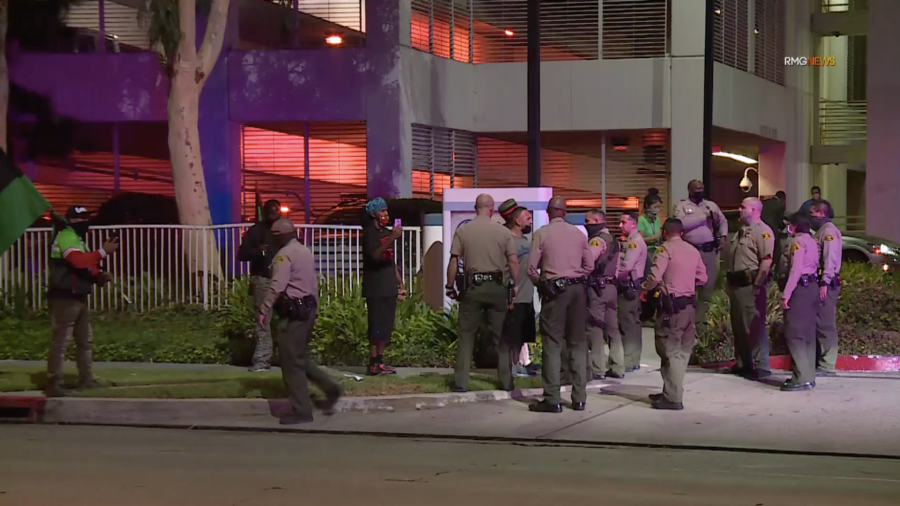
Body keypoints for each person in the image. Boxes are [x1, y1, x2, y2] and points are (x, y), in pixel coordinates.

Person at [258, 219, 342, 424]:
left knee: (290, 361)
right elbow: (312, 284)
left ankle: (301, 409)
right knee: (300, 356)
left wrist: (264, 308)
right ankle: (330, 387)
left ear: (279, 235)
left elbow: (277, 285)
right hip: (308, 309)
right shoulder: (305, 251)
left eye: (274, 235)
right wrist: (316, 310)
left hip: (293, 313)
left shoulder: (284, 255)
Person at [446, 194, 519, 392]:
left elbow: (454, 260)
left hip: (472, 288)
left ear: (475, 207)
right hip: (497, 288)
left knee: (466, 335)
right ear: (492, 208)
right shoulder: (502, 232)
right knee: (500, 338)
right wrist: (516, 285)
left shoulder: (463, 230)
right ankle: (506, 381)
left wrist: (449, 286)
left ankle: (461, 382)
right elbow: (512, 261)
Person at [527, 197, 593, 413]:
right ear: (564, 212)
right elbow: (589, 265)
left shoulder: (542, 233)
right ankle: (580, 398)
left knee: (552, 344)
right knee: (578, 343)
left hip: (555, 291)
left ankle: (552, 399)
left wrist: (543, 283)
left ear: (549, 212)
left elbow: (531, 269)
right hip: (577, 291)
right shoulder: (578, 234)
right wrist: (576, 276)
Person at [46, 206, 119, 397]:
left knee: (85, 341)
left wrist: (98, 276)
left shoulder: (77, 239)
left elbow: (85, 267)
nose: (86, 222)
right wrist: (103, 251)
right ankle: (54, 384)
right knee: (61, 342)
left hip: (77, 296)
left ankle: (86, 380)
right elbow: (77, 261)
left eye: (87, 218)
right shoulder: (66, 236)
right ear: (72, 221)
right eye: (82, 218)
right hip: (64, 297)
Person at [640, 218, 707, 410]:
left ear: (664, 232)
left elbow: (654, 277)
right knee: (681, 352)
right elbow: (703, 278)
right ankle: (669, 390)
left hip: (671, 308)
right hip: (688, 307)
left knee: (670, 352)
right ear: (682, 232)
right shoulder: (692, 250)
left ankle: (673, 398)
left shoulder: (664, 249)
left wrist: (643, 290)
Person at [724, 197, 775, 379]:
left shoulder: (762, 231)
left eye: (742, 207)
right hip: (737, 284)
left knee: (754, 325)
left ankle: (761, 365)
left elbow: (766, 260)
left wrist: (757, 284)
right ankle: (743, 363)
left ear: (754, 210)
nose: (739, 210)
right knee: (738, 325)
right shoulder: (742, 231)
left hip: (751, 285)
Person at [361, 198, 408, 376]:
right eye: (382, 211)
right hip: (375, 286)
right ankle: (373, 363)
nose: (385, 215)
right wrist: (392, 239)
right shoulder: (369, 233)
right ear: (373, 214)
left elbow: (389, 260)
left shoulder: (386, 232)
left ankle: (380, 361)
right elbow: (374, 256)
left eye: (386, 211)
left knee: (386, 326)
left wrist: (400, 282)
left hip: (388, 285)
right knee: (376, 325)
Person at [674, 180, 727, 325]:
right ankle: (686, 320)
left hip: (708, 251)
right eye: (697, 188)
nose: (700, 191)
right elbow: (681, 224)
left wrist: (723, 236)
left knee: (707, 286)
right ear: (690, 190)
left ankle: (700, 322)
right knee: (689, 287)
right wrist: (704, 217)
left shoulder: (711, 205)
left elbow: (723, 221)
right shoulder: (682, 206)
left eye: (702, 188)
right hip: (689, 251)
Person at [237, 199, 282, 372]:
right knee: (263, 320)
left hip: (284, 280)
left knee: (290, 321)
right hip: (263, 280)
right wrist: (257, 251)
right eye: (271, 212)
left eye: (277, 211)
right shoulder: (256, 231)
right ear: (264, 212)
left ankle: (290, 359)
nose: (275, 215)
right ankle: (262, 361)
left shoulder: (284, 231)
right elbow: (241, 254)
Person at [778, 214, 820, 392]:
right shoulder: (812, 240)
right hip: (812, 287)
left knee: (794, 332)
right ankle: (808, 376)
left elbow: (796, 269)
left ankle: (801, 377)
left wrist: (786, 294)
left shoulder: (797, 242)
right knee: (808, 333)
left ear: (794, 226)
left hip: (800, 289)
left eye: (789, 225)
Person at [499, 201, 538, 378]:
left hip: (527, 295)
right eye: (527, 218)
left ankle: (522, 363)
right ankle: (513, 368)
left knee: (522, 334)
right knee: (512, 335)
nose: (531, 221)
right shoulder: (506, 240)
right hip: (512, 296)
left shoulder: (526, 241)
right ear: (517, 221)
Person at [584, 209, 624, 380]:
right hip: (611, 287)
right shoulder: (615, 241)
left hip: (597, 288)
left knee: (595, 327)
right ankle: (618, 366)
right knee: (613, 328)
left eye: (588, 221)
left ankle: (598, 367)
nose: (585, 224)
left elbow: (588, 262)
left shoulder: (597, 241)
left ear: (597, 221)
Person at [810, 201, 842, 377]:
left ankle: (828, 364)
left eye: (812, 213)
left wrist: (824, 282)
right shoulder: (821, 232)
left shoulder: (828, 232)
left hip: (827, 284)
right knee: (818, 323)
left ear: (821, 213)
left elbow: (830, 260)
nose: (810, 216)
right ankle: (821, 361)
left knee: (825, 323)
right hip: (821, 282)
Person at [617, 211, 647, 373]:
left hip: (628, 286)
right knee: (633, 323)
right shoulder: (632, 241)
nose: (620, 226)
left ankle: (629, 359)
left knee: (627, 323)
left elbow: (627, 266)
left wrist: (613, 276)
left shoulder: (634, 243)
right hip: (633, 285)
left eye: (623, 222)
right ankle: (633, 359)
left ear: (633, 224)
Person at [638, 189, 663, 322]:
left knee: (657, 283)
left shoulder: (657, 220)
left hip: (656, 251)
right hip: (646, 253)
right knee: (648, 281)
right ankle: (644, 313)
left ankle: (653, 311)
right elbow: (640, 239)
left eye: (659, 207)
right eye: (655, 207)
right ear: (647, 206)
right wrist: (656, 236)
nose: (657, 210)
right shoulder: (641, 220)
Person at [761, 191, 787, 275]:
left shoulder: (764, 202)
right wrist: (784, 225)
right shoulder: (780, 205)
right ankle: (774, 273)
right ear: (783, 199)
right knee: (776, 252)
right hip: (772, 230)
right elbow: (779, 222)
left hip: (760, 229)